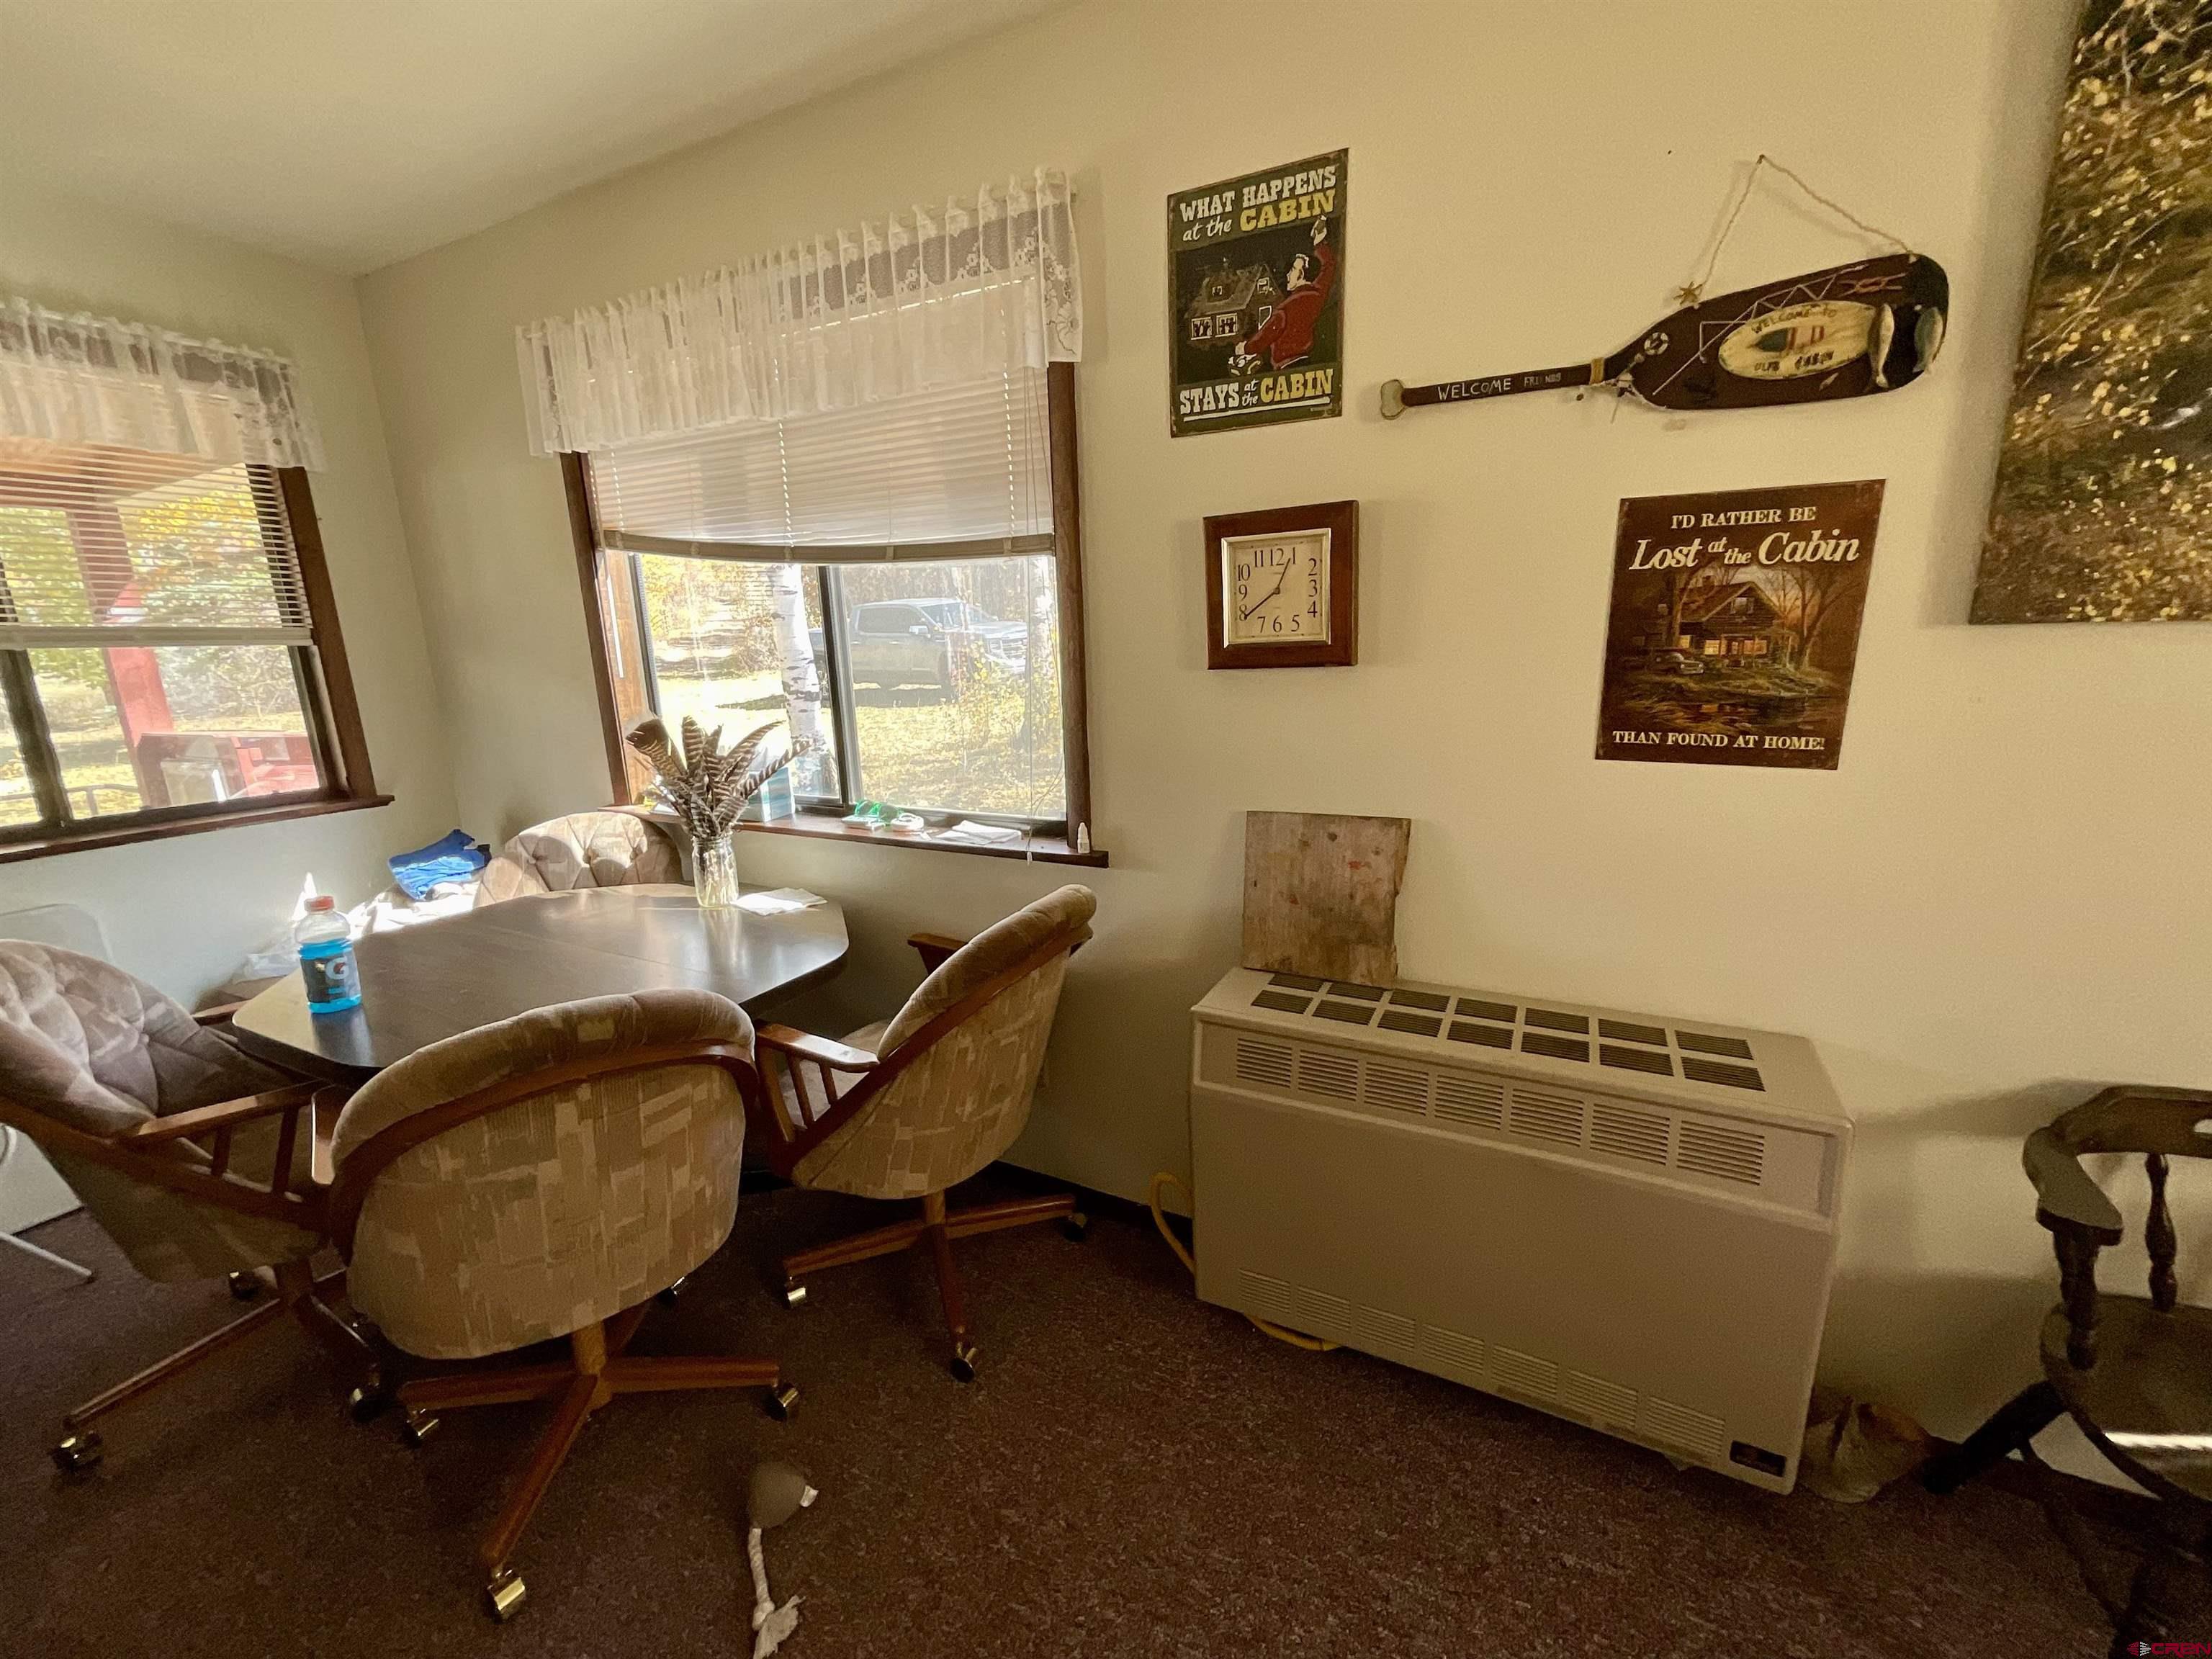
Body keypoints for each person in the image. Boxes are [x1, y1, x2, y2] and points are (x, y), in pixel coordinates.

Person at [1231, 217, 1336, 375]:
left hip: (1287, 369)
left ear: (1303, 274)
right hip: (1306, 363)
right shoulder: (1317, 294)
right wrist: (1320, 242)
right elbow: (1329, 267)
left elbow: (1267, 334)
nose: (1288, 275)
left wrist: (1245, 348)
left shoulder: (1289, 306)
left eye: (1293, 270)